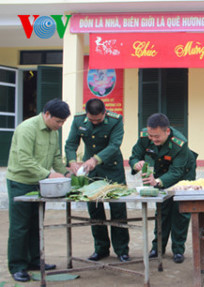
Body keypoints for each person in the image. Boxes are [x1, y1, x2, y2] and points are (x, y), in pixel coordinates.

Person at [7, 99, 71, 282]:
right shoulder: (27, 128)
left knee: (36, 223)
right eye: (58, 121)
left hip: (40, 183)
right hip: (20, 182)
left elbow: (56, 157)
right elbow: (24, 159)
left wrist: (65, 172)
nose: (59, 126)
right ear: (47, 114)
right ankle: (17, 266)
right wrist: (48, 175)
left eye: (62, 123)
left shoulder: (53, 132)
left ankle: (34, 260)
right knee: (20, 226)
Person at [65, 98, 130, 263]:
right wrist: (72, 161)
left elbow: (114, 145)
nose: (94, 123)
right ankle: (101, 249)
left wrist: (95, 159)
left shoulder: (116, 120)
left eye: (98, 120)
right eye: (92, 120)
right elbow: (71, 143)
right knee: (94, 209)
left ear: (104, 113)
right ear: (87, 114)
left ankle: (122, 250)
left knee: (118, 209)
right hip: (90, 171)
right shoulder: (79, 120)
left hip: (112, 169)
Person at [129, 113, 197, 263]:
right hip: (162, 170)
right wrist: (136, 164)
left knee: (179, 211)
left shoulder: (180, 143)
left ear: (167, 131)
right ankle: (157, 247)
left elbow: (177, 172)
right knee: (162, 210)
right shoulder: (145, 136)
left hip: (184, 173)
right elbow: (134, 156)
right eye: (151, 136)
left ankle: (178, 250)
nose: (153, 139)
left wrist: (157, 181)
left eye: (157, 136)